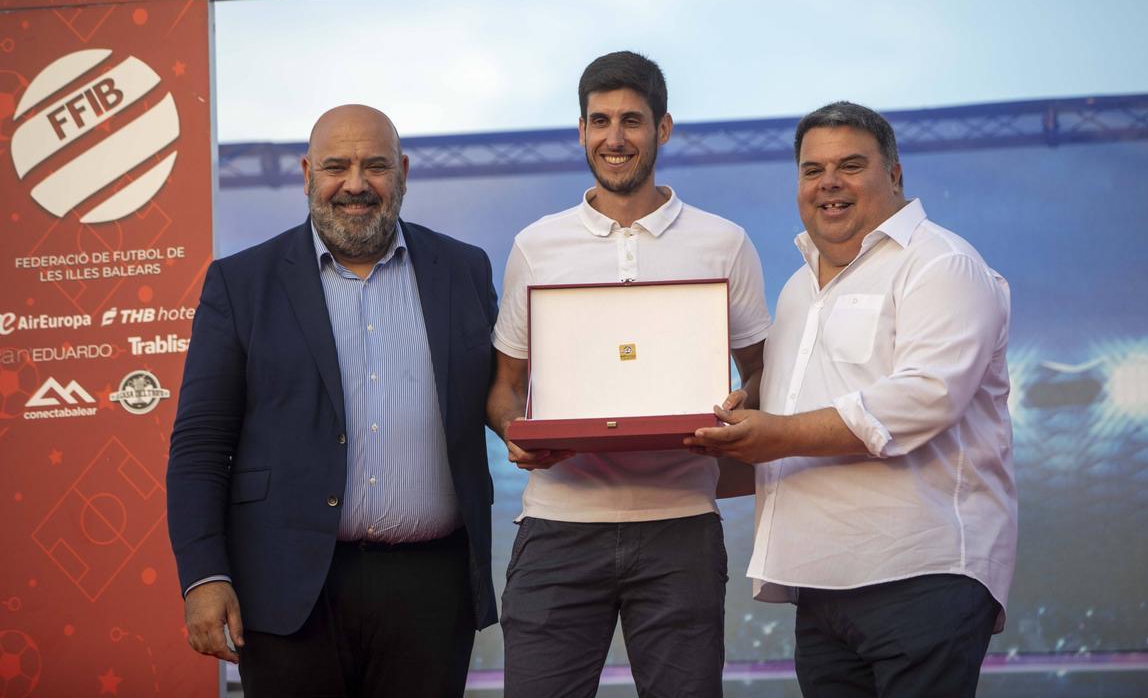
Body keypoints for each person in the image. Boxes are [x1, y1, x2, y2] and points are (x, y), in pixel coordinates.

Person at [687, 101, 1018, 697]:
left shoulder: (942, 263)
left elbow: (925, 397)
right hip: (819, 581)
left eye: (851, 166)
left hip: (921, 571)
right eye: (812, 170)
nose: (829, 183)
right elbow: (787, 404)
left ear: (895, 174)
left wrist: (774, 434)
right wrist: (729, 415)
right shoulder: (799, 288)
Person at [166, 104, 498, 697]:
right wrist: (204, 576)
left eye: (375, 166)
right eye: (336, 166)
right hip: (286, 587)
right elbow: (200, 445)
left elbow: (507, 393)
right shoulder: (241, 284)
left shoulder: (463, 269)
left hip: (431, 589)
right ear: (307, 174)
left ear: (402, 172)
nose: (355, 184)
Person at [487, 51, 772, 697]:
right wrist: (514, 433)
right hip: (557, 525)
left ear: (663, 128)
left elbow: (763, 373)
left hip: (681, 526)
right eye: (600, 121)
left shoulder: (723, 242)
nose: (614, 138)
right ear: (581, 130)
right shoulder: (537, 245)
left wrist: (738, 410)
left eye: (632, 121)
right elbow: (505, 387)